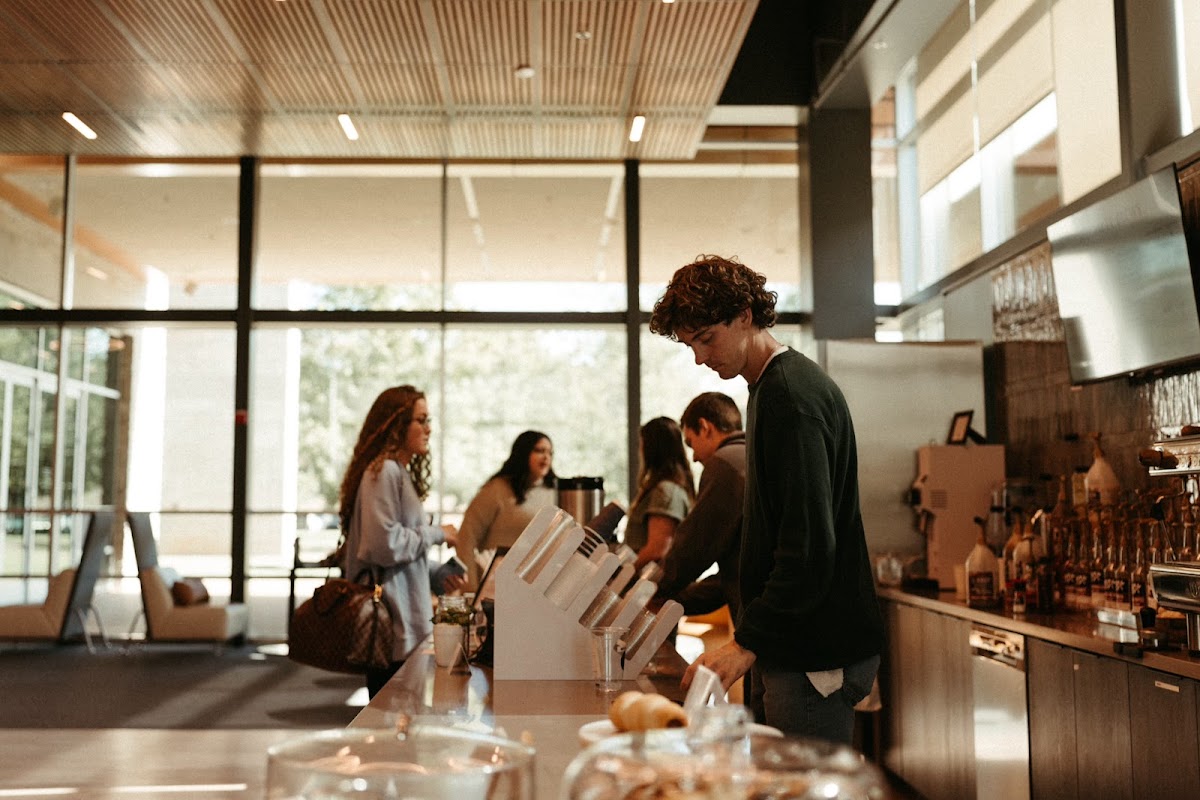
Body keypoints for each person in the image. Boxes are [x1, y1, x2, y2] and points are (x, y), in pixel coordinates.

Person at [649, 255, 884, 744]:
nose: (700, 358)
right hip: (790, 644)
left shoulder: (790, 397)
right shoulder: (769, 388)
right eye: (691, 345)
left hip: (813, 650)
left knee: (797, 782)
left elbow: (808, 547)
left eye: (707, 338)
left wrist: (746, 644)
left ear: (745, 315)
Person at [338, 385, 459, 699]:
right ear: (396, 425)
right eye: (421, 420)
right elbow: (384, 545)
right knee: (391, 720)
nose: (428, 428)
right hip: (392, 627)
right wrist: (438, 533)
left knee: (402, 720)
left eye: (428, 420)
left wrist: (437, 574)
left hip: (404, 625)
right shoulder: (384, 472)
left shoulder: (396, 472)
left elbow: (401, 554)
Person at [651, 392, 746, 619]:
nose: (693, 457)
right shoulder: (751, 456)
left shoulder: (724, 463)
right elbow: (734, 575)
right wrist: (677, 602)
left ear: (705, 427)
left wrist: (651, 590)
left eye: (691, 443)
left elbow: (696, 544)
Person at [455, 430, 558, 589]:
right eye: (539, 450)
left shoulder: (556, 492)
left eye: (550, 453)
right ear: (523, 453)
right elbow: (466, 539)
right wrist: (471, 588)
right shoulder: (496, 490)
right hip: (496, 585)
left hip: (539, 586)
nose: (546, 457)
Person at [625, 416, 695, 570]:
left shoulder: (666, 491)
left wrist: (621, 573)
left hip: (648, 580)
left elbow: (657, 549)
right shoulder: (670, 488)